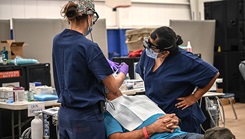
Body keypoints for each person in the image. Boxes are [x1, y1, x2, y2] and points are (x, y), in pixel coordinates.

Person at [52, 0, 128, 138]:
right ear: (89, 17)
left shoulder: (57, 40)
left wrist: (99, 63)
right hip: (86, 118)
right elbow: (113, 87)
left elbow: (74, 64)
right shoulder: (89, 47)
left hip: (64, 114)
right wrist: (123, 71)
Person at [135, 26, 220, 133]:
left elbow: (213, 73)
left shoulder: (186, 60)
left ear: (166, 52)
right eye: (148, 44)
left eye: (153, 47)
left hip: (180, 117)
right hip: (155, 115)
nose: (148, 49)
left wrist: (194, 97)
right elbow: (148, 77)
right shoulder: (148, 55)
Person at [104, 95, 204, 139]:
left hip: (182, 134)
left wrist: (174, 119)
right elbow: (116, 138)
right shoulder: (109, 113)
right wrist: (152, 129)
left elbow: (161, 117)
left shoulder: (139, 99)